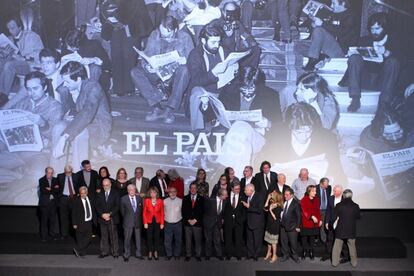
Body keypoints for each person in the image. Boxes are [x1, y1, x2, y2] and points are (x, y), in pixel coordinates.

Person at [217, 66, 282, 174]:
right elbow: (215, 115)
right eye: (243, 88)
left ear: (258, 85)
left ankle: (222, 169)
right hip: (234, 139)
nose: (247, 91)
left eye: (251, 88)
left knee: (240, 125)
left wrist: (268, 123)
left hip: (258, 138)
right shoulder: (228, 92)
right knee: (244, 147)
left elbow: (280, 126)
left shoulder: (270, 95)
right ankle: (240, 182)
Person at [130, 15, 193, 124]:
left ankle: (170, 109)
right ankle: (156, 106)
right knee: (135, 72)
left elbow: (193, 60)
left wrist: (186, 60)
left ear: (176, 30)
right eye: (162, 34)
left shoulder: (185, 37)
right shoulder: (155, 34)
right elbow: (147, 55)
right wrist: (148, 66)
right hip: (157, 73)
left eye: (167, 35)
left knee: (185, 70)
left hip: (174, 76)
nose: (164, 37)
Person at [52, 61, 112, 168]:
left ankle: (79, 174)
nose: (64, 84)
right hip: (79, 121)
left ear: (79, 79)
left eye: (67, 81)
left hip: (98, 127)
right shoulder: (67, 87)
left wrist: (64, 137)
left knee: (80, 133)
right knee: (58, 128)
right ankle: (56, 173)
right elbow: (66, 109)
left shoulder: (93, 87)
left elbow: (87, 113)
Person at [339, 12, 400, 112]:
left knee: (393, 62)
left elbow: (403, 61)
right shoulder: (364, 40)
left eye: (377, 29)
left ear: (385, 28)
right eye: (372, 29)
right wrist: (353, 54)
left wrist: (387, 52)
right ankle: (355, 99)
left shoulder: (394, 42)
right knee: (354, 57)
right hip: (364, 79)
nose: (374, 32)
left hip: (382, 81)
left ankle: (384, 103)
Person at [187, 22, 239, 131]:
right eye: (213, 42)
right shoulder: (195, 55)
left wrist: (235, 67)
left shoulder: (223, 50)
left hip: (223, 92)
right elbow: (196, 81)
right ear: (203, 41)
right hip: (206, 93)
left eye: (218, 42)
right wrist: (213, 73)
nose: (217, 45)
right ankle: (198, 131)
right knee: (197, 93)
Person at [104, 0, 153, 96]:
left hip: (132, 27)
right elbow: (105, 7)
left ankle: (129, 88)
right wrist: (110, 20)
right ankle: (118, 89)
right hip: (115, 27)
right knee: (116, 56)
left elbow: (134, 8)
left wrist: (121, 20)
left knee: (129, 57)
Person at [303, 0, 358, 71]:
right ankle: (321, 57)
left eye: (334, 3)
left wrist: (322, 24)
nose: (331, 6)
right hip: (329, 48)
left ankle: (312, 63)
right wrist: (314, 23)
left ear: (343, 3)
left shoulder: (351, 17)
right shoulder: (332, 14)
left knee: (318, 30)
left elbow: (342, 33)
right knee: (299, 46)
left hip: (341, 51)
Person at [210, 2, 261, 68]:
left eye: (232, 12)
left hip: (235, 54)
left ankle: (249, 73)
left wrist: (253, 43)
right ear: (223, 11)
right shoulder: (216, 23)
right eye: (228, 12)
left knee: (256, 50)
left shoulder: (237, 24)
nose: (230, 15)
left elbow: (246, 35)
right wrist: (225, 34)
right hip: (221, 55)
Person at [0, 17, 43, 95]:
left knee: (9, 65)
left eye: (12, 28)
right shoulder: (9, 39)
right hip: (16, 64)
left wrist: (23, 58)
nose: (10, 31)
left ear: (20, 27)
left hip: (31, 64)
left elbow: (40, 54)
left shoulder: (32, 36)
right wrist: (3, 54)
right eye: (8, 29)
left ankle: (3, 95)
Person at [331, 189, 361, 267]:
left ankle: (334, 263)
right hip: (351, 230)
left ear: (343, 196)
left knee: (337, 247)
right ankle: (354, 263)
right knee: (352, 247)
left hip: (340, 229)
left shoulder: (338, 205)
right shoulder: (356, 206)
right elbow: (358, 216)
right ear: (351, 196)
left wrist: (330, 225)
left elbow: (333, 217)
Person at [95, 178, 120, 258]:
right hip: (102, 218)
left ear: (110, 184)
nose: (105, 187)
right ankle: (104, 252)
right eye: (104, 185)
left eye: (107, 185)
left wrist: (109, 214)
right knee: (104, 236)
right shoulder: (99, 193)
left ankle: (115, 252)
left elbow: (117, 205)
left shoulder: (116, 193)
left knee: (113, 236)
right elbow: (97, 206)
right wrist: (102, 214)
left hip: (112, 218)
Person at [120, 184, 143, 262]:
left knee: (138, 239)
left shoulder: (139, 198)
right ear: (127, 190)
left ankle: (138, 254)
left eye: (133, 189)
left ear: (135, 190)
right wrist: (127, 219)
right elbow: (122, 212)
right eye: (130, 189)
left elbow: (141, 211)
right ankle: (126, 254)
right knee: (127, 239)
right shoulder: (123, 199)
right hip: (127, 222)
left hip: (137, 222)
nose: (132, 191)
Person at [182, 183, 204, 261]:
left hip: (197, 223)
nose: (193, 189)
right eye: (191, 188)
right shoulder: (185, 198)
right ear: (189, 189)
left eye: (195, 188)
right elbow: (184, 210)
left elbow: (202, 211)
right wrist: (189, 220)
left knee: (197, 240)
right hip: (187, 223)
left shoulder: (201, 198)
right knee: (188, 240)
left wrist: (195, 220)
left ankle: (198, 255)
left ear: (197, 189)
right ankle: (188, 255)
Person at [322, 184, 344, 261]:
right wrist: (327, 222)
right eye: (333, 190)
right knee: (329, 239)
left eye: (335, 191)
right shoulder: (331, 198)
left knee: (340, 240)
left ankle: (341, 254)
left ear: (340, 191)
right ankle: (328, 254)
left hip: (341, 224)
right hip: (331, 223)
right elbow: (328, 211)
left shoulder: (344, 199)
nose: (333, 192)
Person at [223, 182, 246, 260]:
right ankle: (228, 254)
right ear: (232, 188)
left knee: (238, 239)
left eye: (239, 189)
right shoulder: (226, 195)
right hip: (228, 221)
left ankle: (238, 254)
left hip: (239, 221)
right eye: (236, 189)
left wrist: (242, 219)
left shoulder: (243, 196)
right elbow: (223, 209)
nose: (238, 190)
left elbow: (245, 210)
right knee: (228, 238)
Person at [204, 188, 228, 260]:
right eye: (225, 195)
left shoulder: (225, 201)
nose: (227, 196)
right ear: (220, 195)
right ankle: (207, 255)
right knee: (208, 240)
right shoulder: (210, 200)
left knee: (217, 240)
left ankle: (219, 254)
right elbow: (205, 211)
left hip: (218, 223)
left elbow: (222, 213)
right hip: (209, 223)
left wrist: (222, 219)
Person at [242, 183, 265, 261]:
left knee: (257, 240)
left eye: (245, 190)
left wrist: (249, 207)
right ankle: (250, 254)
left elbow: (259, 210)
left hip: (257, 223)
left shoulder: (260, 196)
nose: (244, 191)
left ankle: (256, 255)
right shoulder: (246, 197)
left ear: (251, 190)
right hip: (249, 222)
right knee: (249, 239)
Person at [72, 186, 95, 258]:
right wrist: (74, 223)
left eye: (84, 193)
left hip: (89, 221)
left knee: (88, 237)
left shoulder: (91, 199)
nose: (83, 195)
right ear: (80, 193)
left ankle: (78, 249)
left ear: (87, 193)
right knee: (80, 238)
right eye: (81, 193)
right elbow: (73, 213)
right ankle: (82, 252)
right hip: (80, 222)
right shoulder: (76, 201)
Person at [57, 165, 79, 239]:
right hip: (63, 198)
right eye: (66, 172)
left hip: (73, 198)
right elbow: (57, 187)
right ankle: (64, 234)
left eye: (69, 172)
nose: (68, 174)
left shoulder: (76, 176)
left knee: (75, 217)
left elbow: (79, 186)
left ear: (72, 171)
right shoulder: (60, 176)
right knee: (63, 217)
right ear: (64, 171)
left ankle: (75, 234)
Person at [300, 185, 322, 260]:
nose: (315, 193)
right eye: (313, 191)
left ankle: (312, 252)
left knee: (312, 239)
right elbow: (304, 211)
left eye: (315, 191)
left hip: (314, 223)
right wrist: (311, 216)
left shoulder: (317, 200)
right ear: (309, 192)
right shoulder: (303, 200)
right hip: (306, 222)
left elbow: (318, 211)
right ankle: (304, 251)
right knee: (304, 239)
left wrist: (320, 220)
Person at [38, 166, 60, 242]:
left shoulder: (55, 180)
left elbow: (58, 190)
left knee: (52, 220)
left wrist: (50, 189)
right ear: (46, 173)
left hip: (53, 204)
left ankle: (52, 234)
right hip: (45, 204)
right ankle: (43, 236)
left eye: (51, 173)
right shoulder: (41, 180)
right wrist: (53, 189)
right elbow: (43, 191)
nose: (50, 174)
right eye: (49, 173)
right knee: (44, 221)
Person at [280, 187, 301, 263]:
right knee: (284, 242)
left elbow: (299, 216)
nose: (285, 196)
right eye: (284, 194)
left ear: (291, 195)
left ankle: (295, 256)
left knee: (293, 243)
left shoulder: (296, 204)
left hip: (292, 227)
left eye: (287, 195)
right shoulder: (284, 202)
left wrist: (298, 227)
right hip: (283, 226)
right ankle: (285, 255)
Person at [143, 187, 165, 260]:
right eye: (151, 192)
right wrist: (145, 222)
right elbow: (144, 213)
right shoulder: (146, 201)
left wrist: (162, 223)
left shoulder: (160, 201)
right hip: (149, 222)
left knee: (156, 237)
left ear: (157, 193)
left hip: (157, 222)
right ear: (149, 193)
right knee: (149, 237)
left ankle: (155, 251)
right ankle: (150, 251)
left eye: (154, 192)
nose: (153, 194)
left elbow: (162, 213)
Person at [263, 191, 283, 263]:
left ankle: (274, 255)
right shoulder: (272, 203)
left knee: (273, 242)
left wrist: (271, 210)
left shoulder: (279, 206)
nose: (271, 194)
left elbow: (275, 217)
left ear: (276, 196)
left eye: (273, 193)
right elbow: (265, 208)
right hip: (269, 224)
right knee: (268, 240)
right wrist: (268, 199)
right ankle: (269, 253)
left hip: (274, 225)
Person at [163, 187, 183, 260]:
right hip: (167, 223)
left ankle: (177, 254)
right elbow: (162, 213)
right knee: (167, 241)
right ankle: (169, 254)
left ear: (176, 192)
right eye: (170, 192)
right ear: (168, 193)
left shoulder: (181, 201)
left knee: (178, 240)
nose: (172, 193)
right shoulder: (164, 201)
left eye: (174, 191)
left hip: (178, 223)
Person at [317, 177, 332, 244]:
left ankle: (324, 240)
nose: (326, 186)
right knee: (317, 225)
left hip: (326, 210)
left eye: (327, 185)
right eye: (325, 185)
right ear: (321, 183)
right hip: (317, 210)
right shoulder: (315, 188)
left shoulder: (329, 188)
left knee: (324, 225)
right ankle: (316, 239)